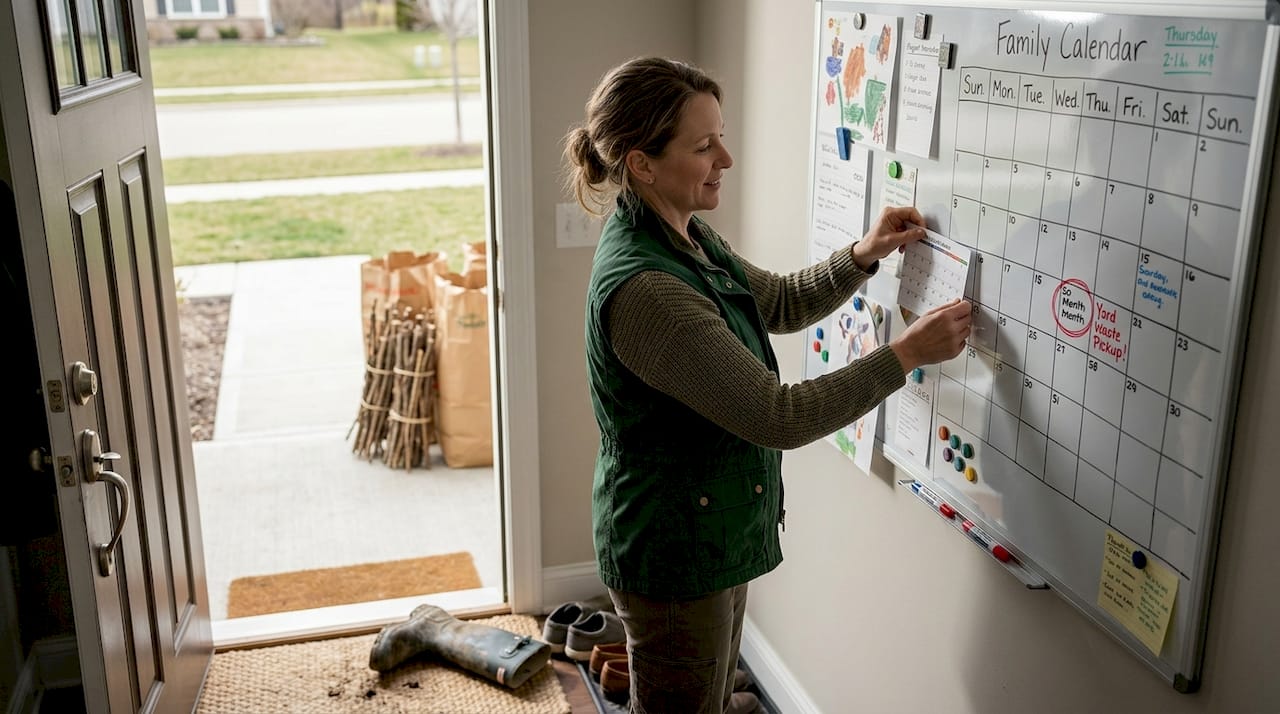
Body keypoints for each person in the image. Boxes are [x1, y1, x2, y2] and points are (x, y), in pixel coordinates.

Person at [565, 57, 971, 714]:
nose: (726, 158)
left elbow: (777, 301)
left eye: (720, 137)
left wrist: (862, 255)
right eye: (704, 146)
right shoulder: (650, 290)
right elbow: (778, 417)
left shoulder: (683, 233)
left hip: (710, 531)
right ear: (643, 164)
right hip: (675, 551)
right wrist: (904, 356)